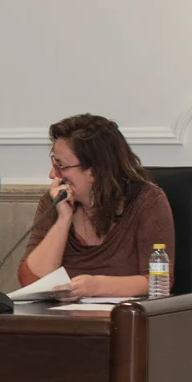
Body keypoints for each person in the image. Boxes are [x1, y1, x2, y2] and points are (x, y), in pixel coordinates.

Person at [18, 113, 176, 300]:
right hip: (61, 316)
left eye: (61, 166)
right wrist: (63, 219)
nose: (52, 175)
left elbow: (157, 281)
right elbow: (31, 283)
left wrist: (96, 286)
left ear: (94, 171)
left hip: (125, 316)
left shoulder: (147, 201)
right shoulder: (54, 201)